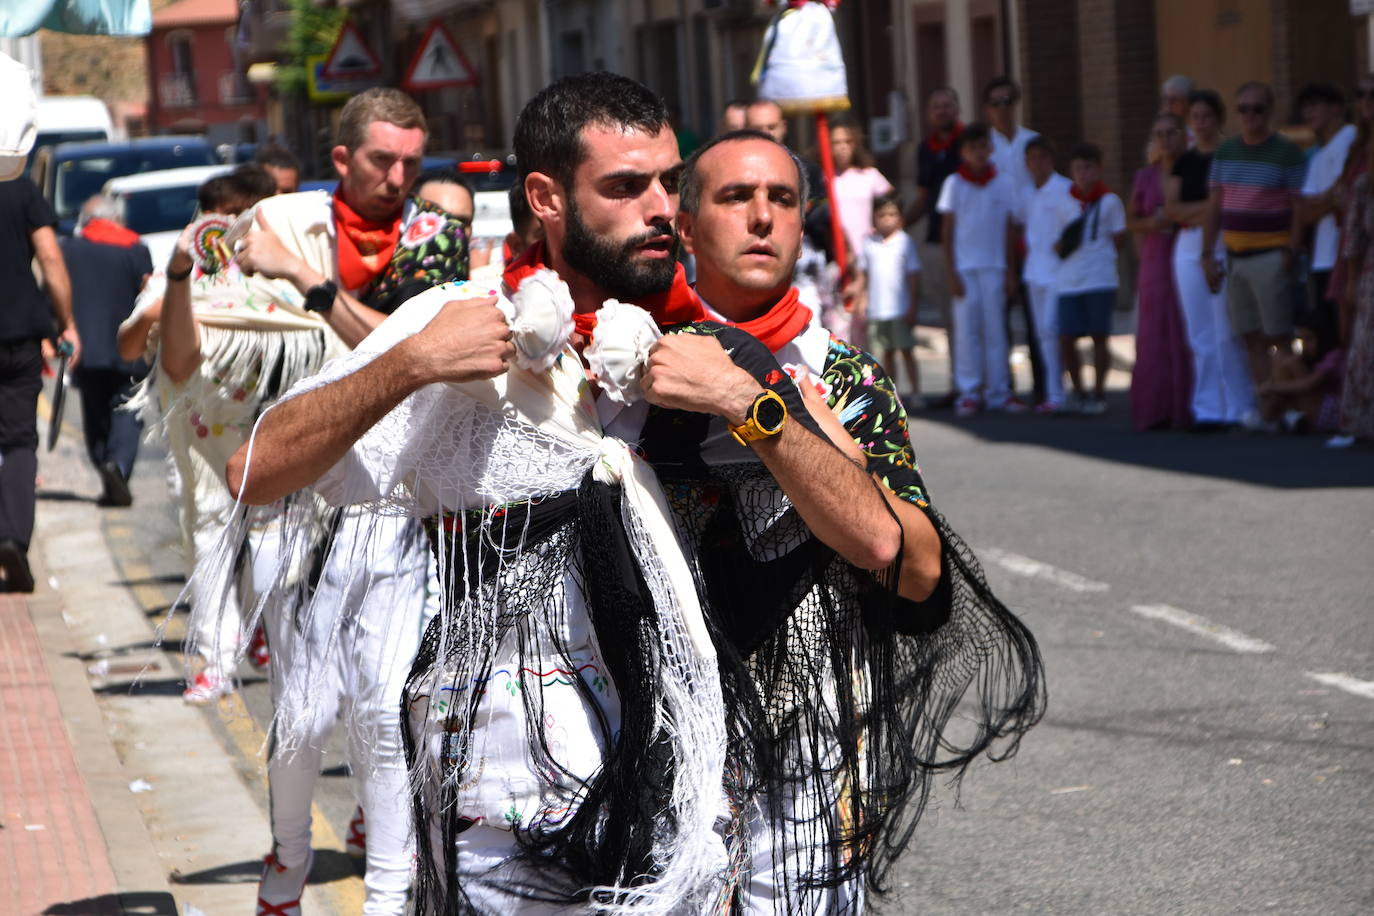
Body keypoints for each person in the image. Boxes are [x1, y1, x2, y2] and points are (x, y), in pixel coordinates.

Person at [224, 74, 1042, 914]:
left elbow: (891, 550)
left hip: (696, 819)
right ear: (546, 198)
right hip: (512, 815)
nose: (659, 209)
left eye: (668, 182)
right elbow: (254, 470)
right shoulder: (464, 331)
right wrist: (409, 364)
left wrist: (746, 401)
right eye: (624, 186)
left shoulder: (727, 358)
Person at [1202, 81, 1306, 420]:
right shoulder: (1225, 152)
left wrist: (1291, 250)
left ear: (1270, 111)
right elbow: (1215, 206)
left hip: (1271, 255)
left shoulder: (1287, 152)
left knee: (1280, 336)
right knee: (1250, 337)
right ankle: (1267, 406)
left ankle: (1288, 406)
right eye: (1243, 109)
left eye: (1258, 109)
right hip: (1235, 257)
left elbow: (1299, 207)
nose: (1250, 116)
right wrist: (1207, 254)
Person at [0, 175, 79, 592]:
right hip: (17, 334)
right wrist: (66, 323)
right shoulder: (19, 187)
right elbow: (49, 257)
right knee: (17, 442)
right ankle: (12, 537)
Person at [1166, 89, 1255, 430]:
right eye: (1195, 117)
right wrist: (1210, 208)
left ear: (1218, 119)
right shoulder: (1185, 161)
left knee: (1226, 331)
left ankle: (1239, 404)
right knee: (1199, 332)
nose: (1201, 123)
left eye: (1206, 116)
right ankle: (1207, 407)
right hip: (1188, 245)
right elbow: (1172, 209)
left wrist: (1207, 211)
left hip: (1223, 242)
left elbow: (1233, 202)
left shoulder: (1230, 155)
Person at [61, 194, 152, 504]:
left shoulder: (69, 249)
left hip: (86, 349)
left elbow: (55, 293)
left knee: (95, 412)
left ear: (87, 221)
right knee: (127, 409)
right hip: (130, 347)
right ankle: (118, 466)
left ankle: (105, 466)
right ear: (115, 219)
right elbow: (148, 295)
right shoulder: (136, 249)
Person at [936, 121, 1022, 416]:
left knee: (996, 332)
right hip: (965, 268)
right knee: (967, 333)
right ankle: (969, 391)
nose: (979, 153)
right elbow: (947, 231)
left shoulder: (1004, 183)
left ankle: (999, 391)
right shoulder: (954, 184)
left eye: (983, 146)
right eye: (972, 148)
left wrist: (1010, 270)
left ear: (991, 149)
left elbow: (1010, 230)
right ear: (963, 152)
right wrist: (951, 272)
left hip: (995, 266)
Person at [1127, 114, 1193, 430]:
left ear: (1183, 136)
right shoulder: (1144, 176)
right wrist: (1150, 224)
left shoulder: (1193, 170)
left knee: (1183, 327)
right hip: (1155, 258)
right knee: (1153, 331)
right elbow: (1131, 219)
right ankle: (1155, 407)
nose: (1165, 139)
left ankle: (1186, 405)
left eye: (1171, 133)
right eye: (1159, 134)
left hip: (1186, 251)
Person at [984, 75, 1045, 405]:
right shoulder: (985, 147)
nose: (1002, 109)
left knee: (1036, 315)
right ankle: (1004, 386)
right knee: (1000, 317)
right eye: (996, 103)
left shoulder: (1032, 141)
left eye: (1008, 101)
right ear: (987, 108)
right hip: (996, 241)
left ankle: (1043, 385)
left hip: (1032, 237)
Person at [1056, 143, 1127, 415]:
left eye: (1088, 167)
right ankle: (1078, 391)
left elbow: (1119, 238)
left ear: (1098, 169)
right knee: (1066, 336)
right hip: (1069, 279)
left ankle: (1098, 393)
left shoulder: (1110, 201)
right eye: (1078, 168)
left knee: (1099, 335)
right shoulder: (1064, 201)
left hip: (1100, 278)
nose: (1083, 174)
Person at [906, 87, 964, 405]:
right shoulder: (925, 149)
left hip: (969, 244)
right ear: (929, 114)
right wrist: (900, 224)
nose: (942, 111)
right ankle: (960, 383)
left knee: (972, 319)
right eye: (936, 106)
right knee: (949, 318)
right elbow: (923, 197)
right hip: (935, 242)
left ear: (957, 108)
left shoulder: (968, 142)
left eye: (947, 105)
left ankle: (988, 383)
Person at [1019, 136, 1078, 413]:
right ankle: (1053, 392)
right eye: (1032, 158)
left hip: (1058, 273)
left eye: (1043, 157)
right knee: (1043, 334)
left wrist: (1063, 245)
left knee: (1053, 330)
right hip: (1034, 272)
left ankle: (1059, 393)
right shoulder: (1026, 193)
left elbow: (1076, 225)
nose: (1038, 163)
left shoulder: (1065, 188)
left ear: (1051, 160)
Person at [826, 115, 894, 345]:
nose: (842, 148)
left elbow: (891, 203)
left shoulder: (869, 175)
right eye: (836, 143)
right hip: (837, 260)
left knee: (867, 322)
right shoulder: (825, 179)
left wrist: (880, 228)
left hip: (867, 257)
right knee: (840, 324)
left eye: (847, 142)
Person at [1297, 83, 1357, 340]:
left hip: (1348, 254)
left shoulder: (1352, 138)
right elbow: (1303, 212)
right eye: (1305, 108)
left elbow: (1346, 192)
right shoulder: (1318, 156)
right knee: (1330, 336)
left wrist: (1323, 200)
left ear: (1336, 108)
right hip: (1322, 258)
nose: (1308, 113)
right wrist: (1328, 200)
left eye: (1314, 106)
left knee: (1350, 333)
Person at [1330, 144, 1374, 446]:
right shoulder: (1365, 184)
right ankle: (1362, 422)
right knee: (1366, 348)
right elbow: (1353, 237)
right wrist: (1351, 281)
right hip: (1370, 276)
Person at [860, 192, 921, 402]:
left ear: (900, 218)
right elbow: (865, 275)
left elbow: (913, 276)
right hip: (878, 308)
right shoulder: (869, 243)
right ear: (874, 217)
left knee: (906, 350)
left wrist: (912, 304)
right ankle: (893, 394)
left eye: (892, 214)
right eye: (882, 215)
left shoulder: (905, 242)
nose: (887, 219)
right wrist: (862, 300)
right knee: (886, 353)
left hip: (900, 307)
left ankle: (916, 392)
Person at [1329, 74, 1374, 347]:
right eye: (1361, 94)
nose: (1366, 101)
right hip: (1351, 249)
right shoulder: (1357, 147)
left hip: (1364, 253)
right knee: (1349, 338)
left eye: (1373, 95)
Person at [1256, 318, 1344, 434]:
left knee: (1291, 364)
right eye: (1301, 340)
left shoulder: (1335, 355)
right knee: (1281, 357)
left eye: (1309, 339)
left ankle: (1272, 417)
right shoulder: (1308, 357)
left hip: (1335, 410)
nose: (1305, 345)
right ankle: (1278, 416)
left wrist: (1271, 386)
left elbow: (1308, 384)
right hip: (1315, 405)